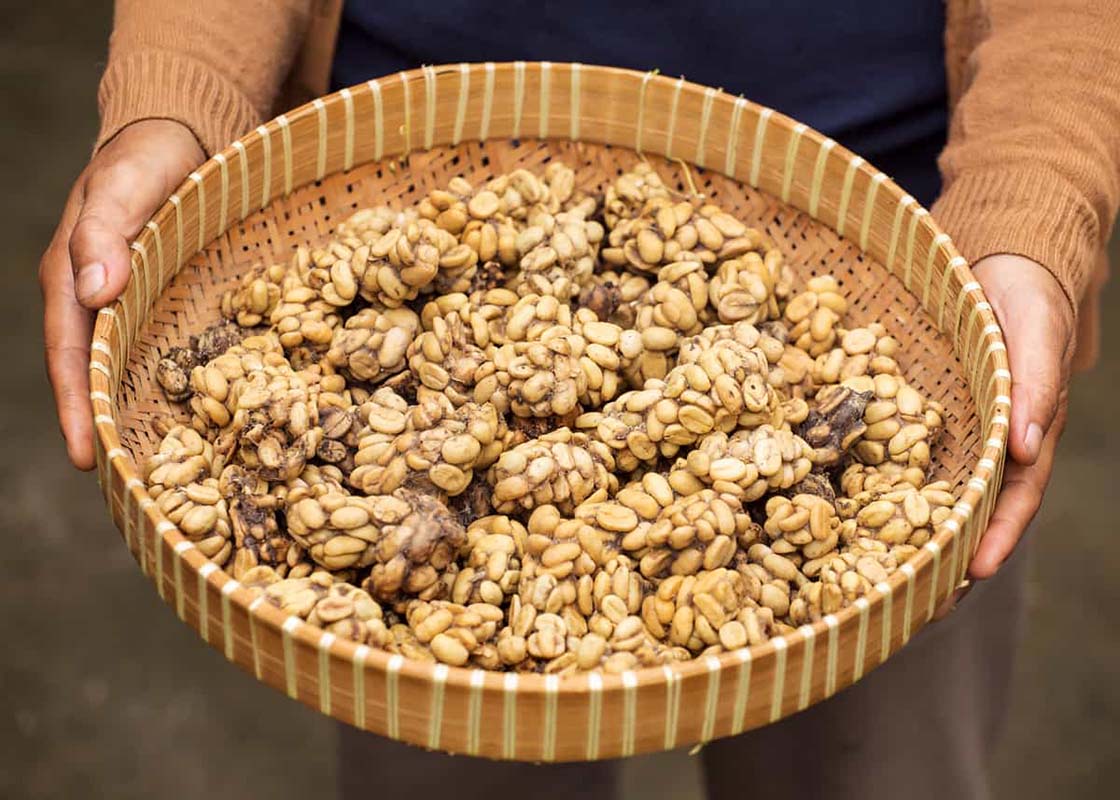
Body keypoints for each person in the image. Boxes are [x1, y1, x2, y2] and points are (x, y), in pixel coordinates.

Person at [38, 1, 1118, 798]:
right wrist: (177, 92)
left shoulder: (859, 377)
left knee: (882, 766)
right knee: (434, 729)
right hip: (402, 160)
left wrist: (1031, 202)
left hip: (883, 239)